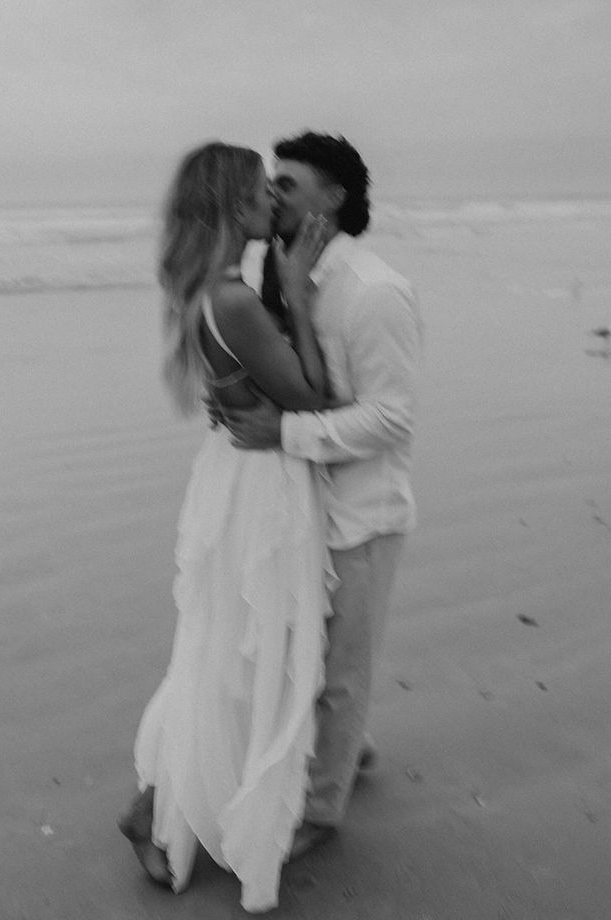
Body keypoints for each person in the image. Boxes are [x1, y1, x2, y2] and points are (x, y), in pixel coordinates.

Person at [118, 141, 340, 914]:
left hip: (229, 472)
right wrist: (299, 300)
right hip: (260, 484)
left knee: (218, 641)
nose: (269, 201)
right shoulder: (238, 301)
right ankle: (165, 804)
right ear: (230, 208)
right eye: (257, 191)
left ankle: (162, 797)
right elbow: (313, 397)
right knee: (252, 642)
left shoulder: (208, 291)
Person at [221, 132, 423, 859]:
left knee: (341, 670)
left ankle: (320, 809)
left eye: (290, 183)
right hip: (306, 508)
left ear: (334, 198)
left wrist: (287, 431)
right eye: (271, 182)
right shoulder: (289, 273)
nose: (273, 193)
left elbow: (392, 417)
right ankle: (353, 750)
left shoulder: (374, 292)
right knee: (307, 654)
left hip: (363, 513)